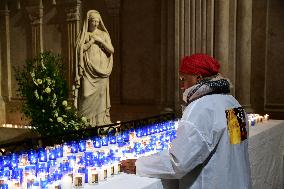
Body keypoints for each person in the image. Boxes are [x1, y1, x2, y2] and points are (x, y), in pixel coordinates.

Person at [121, 53, 252, 189]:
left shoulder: (201, 108)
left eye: (183, 79)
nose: (182, 86)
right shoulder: (233, 103)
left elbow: (179, 162)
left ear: (198, 78)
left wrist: (140, 165)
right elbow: (236, 146)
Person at [74, 10, 114, 126]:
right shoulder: (84, 35)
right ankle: (85, 123)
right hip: (88, 71)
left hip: (102, 72)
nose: (95, 24)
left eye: (97, 21)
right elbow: (79, 51)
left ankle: (100, 122)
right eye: (93, 21)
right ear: (88, 21)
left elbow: (111, 50)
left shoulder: (104, 34)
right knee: (86, 95)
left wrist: (101, 40)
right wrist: (92, 41)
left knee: (101, 97)